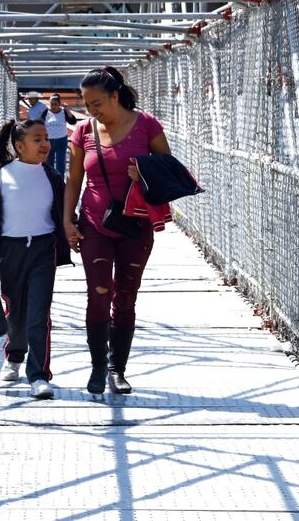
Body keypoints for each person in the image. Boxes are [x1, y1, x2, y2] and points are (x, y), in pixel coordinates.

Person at [63, 66, 172, 395]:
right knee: (98, 294)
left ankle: (117, 369)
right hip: (94, 223)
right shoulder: (83, 131)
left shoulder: (146, 124)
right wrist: (67, 221)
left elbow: (168, 169)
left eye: (96, 103)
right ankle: (97, 366)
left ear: (115, 96)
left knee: (126, 296)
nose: (91, 110)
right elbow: (74, 180)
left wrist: (144, 173)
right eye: (86, 104)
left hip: (135, 223)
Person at [0, 119, 73, 399]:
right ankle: (15, 355)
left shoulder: (52, 176)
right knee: (16, 311)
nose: (45, 144)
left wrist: (74, 230)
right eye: (37, 139)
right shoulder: (1, 176)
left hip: (43, 249)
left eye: (46, 138)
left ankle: (39, 375)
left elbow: (64, 213)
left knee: (39, 314)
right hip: (11, 251)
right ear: (19, 146)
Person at [43, 93, 78, 179]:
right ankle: (50, 180)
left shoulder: (63, 112)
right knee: (49, 163)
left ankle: (60, 181)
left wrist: (67, 110)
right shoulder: (46, 112)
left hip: (61, 141)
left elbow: (73, 121)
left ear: (59, 104)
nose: (53, 106)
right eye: (51, 104)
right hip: (49, 141)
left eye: (55, 104)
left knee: (60, 163)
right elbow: (39, 122)